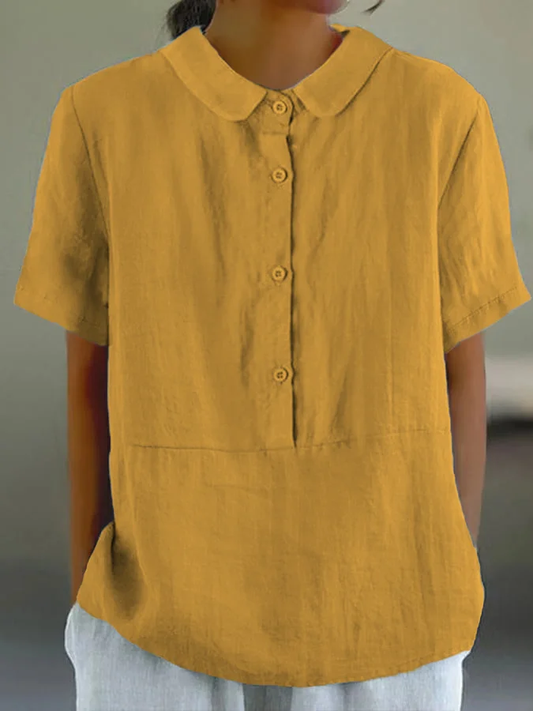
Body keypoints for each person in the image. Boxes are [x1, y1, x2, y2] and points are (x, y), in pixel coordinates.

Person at [13, 0, 531, 709]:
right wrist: (92, 614)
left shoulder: (442, 111)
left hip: (395, 621)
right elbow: (88, 379)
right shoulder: (102, 115)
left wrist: (448, 576)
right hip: (155, 626)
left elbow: (460, 372)